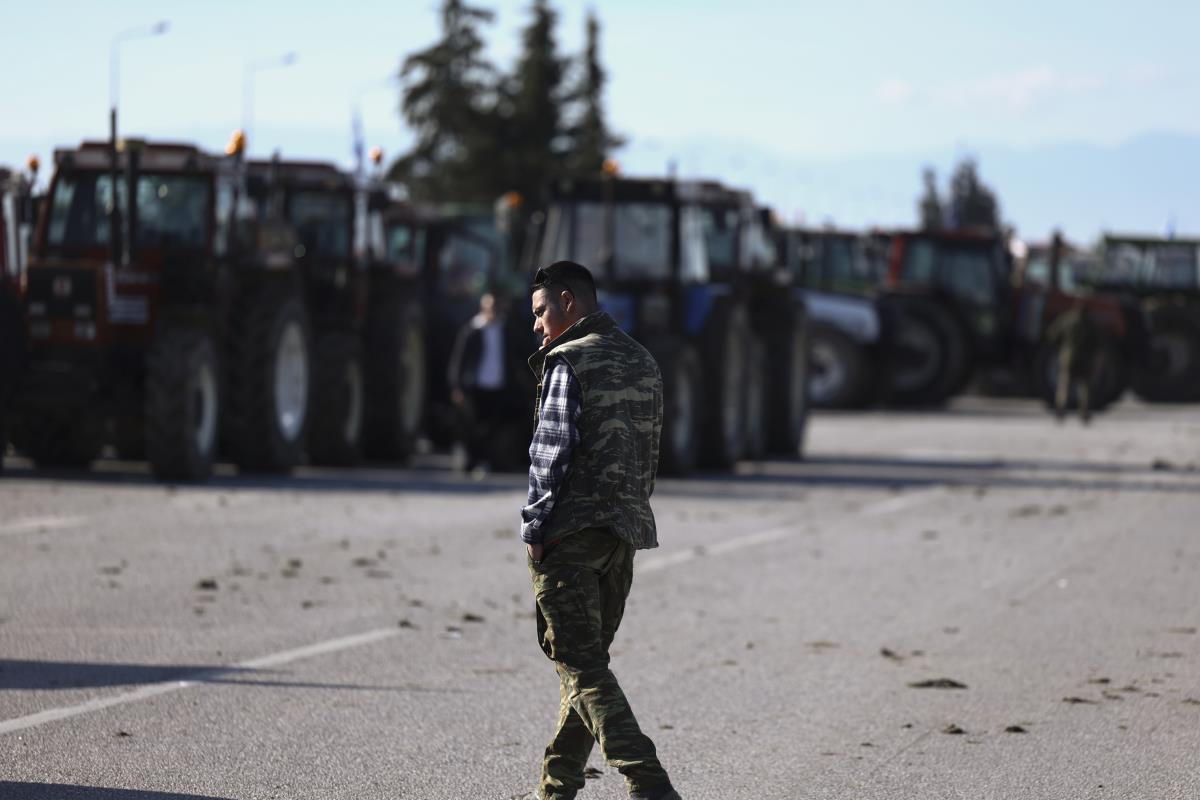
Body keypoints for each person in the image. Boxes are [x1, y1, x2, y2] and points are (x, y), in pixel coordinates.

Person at [512, 261, 681, 800]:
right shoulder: (643, 360)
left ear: (568, 301)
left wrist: (535, 526)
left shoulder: (568, 362)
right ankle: (556, 788)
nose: (538, 326)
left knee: (581, 667)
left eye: (541, 313)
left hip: (571, 536)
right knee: (586, 670)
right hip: (623, 533)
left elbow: (550, 453)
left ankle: (649, 783)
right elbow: (650, 451)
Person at [448, 292, 513, 470]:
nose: (492, 311)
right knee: (472, 427)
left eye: (495, 308)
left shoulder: (506, 330)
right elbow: (458, 361)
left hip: (498, 386)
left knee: (493, 428)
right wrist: (457, 387)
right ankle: (471, 462)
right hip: (475, 387)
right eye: (489, 308)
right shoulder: (472, 330)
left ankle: (491, 462)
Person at [1046, 298, 1099, 423]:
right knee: (1084, 387)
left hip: (1068, 356)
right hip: (1085, 359)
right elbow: (1097, 344)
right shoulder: (1090, 323)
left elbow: (1051, 335)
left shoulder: (1066, 320)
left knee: (1064, 385)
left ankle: (1060, 411)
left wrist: (1062, 347)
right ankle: (1084, 413)